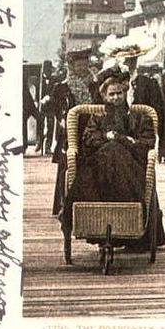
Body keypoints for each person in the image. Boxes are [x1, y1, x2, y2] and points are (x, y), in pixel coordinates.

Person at [64, 68, 165, 251]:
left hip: (130, 169)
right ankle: (98, 224)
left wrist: (121, 140)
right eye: (111, 94)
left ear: (125, 93)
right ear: (104, 96)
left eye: (119, 93)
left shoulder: (138, 117)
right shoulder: (97, 118)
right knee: (109, 153)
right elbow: (88, 141)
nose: (116, 98)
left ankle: (128, 222)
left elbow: (146, 144)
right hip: (100, 170)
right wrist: (107, 138)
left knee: (116, 152)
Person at [51, 46, 99, 216]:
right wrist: (62, 120)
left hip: (91, 127)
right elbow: (56, 109)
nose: (81, 68)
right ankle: (64, 203)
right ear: (71, 66)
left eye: (84, 65)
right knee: (68, 166)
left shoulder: (96, 85)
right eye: (78, 65)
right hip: (71, 131)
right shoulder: (61, 87)